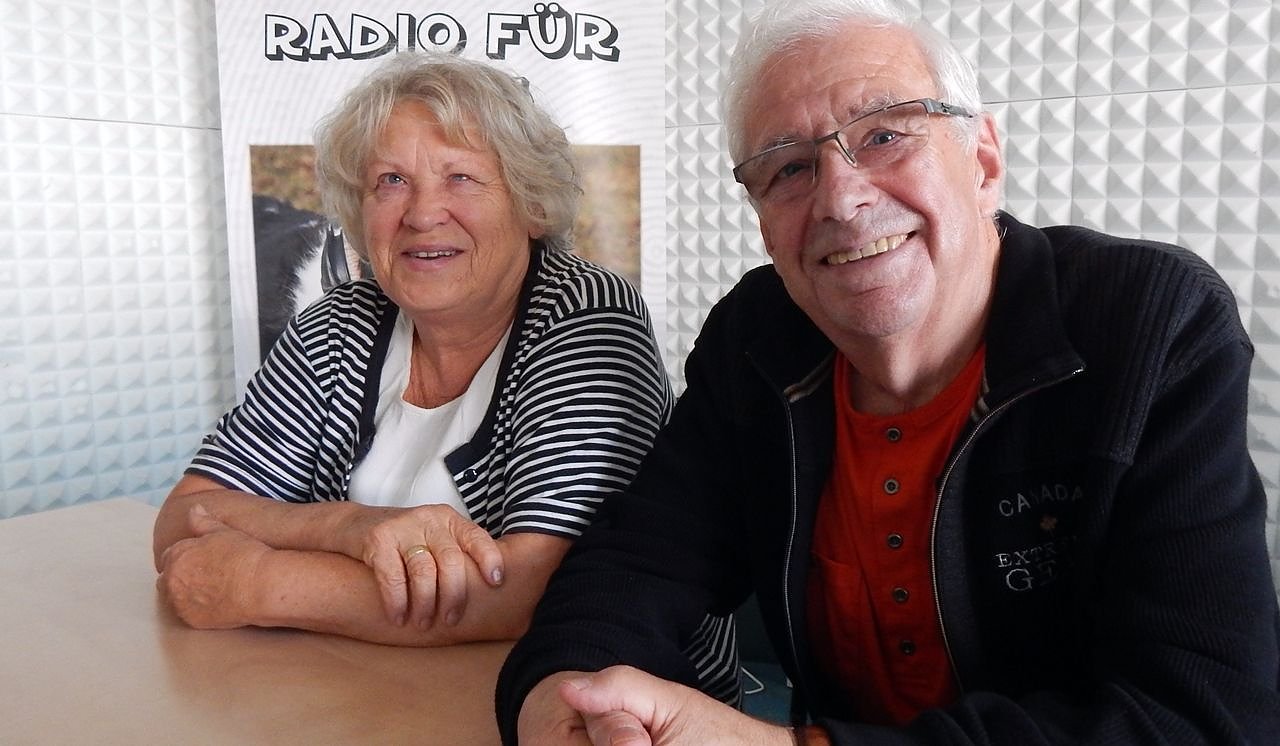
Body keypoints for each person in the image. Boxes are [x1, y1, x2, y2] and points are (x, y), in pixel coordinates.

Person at [497, 0, 1280, 743]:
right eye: (789, 168)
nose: (841, 199)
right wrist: (561, 692)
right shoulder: (756, 337)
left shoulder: (1151, 322)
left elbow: (1205, 718)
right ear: (763, 221)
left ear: (982, 160)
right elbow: (641, 557)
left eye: (883, 135)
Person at [153, 50, 739, 700]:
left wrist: (263, 584)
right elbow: (186, 516)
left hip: (583, 706)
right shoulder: (337, 325)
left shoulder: (587, 315)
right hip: (353, 686)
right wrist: (348, 527)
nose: (422, 213)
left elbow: (534, 589)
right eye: (391, 181)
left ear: (531, 205)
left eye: (460, 177)